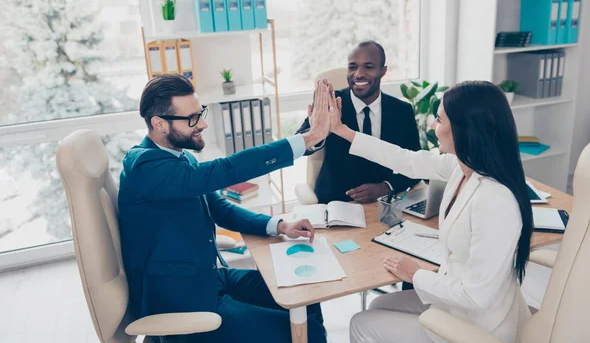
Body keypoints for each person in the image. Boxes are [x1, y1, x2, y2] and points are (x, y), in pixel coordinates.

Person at [118, 74, 332, 343]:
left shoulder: (178, 157)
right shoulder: (146, 168)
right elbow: (227, 169)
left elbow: (221, 210)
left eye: (201, 113)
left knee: (306, 295)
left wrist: (279, 226)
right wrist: (308, 138)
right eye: (193, 119)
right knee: (309, 332)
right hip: (181, 303)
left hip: (207, 279)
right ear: (159, 123)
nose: (203, 124)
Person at [326, 80, 533, 343]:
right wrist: (342, 130)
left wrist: (415, 274)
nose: (433, 126)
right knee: (377, 307)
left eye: (439, 119)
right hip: (455, 301)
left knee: (361, 323)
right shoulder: (463, 168)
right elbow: (407, 160)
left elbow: (476, 295)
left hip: (478, 325)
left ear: (463, 130)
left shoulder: (496, 201)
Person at [296, 40, 421, 204]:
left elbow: (417, 165)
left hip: (382, 204)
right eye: (352, 67)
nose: (358, 74)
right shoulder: (330, 103)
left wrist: (386, 187)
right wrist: (316, 133)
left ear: (382, 71)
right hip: (335, 203)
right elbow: (299, 146)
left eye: (368, 67)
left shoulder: (401, 111)